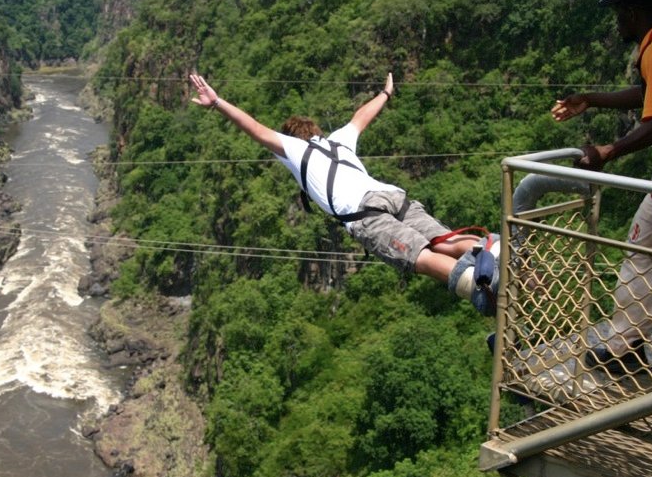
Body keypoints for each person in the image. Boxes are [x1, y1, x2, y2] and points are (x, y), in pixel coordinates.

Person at [189, 72, 500, 316]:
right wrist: (386, 93)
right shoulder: (338, 140)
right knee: (442, 239)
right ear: (315, 131)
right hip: (391, 194)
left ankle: (479, 287)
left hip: (365, 213)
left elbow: (255, 128)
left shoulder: (294, 151)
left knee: (418, 256)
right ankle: (494, 252)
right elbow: (362, 116)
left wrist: (217, 103)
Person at [551, 0, 652, 375]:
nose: (616, 22)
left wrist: (607, 151)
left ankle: (622, 349)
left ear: (633, 12)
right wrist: (591, 100)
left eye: (618, 13)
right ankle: (628, 341)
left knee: (643, 245)